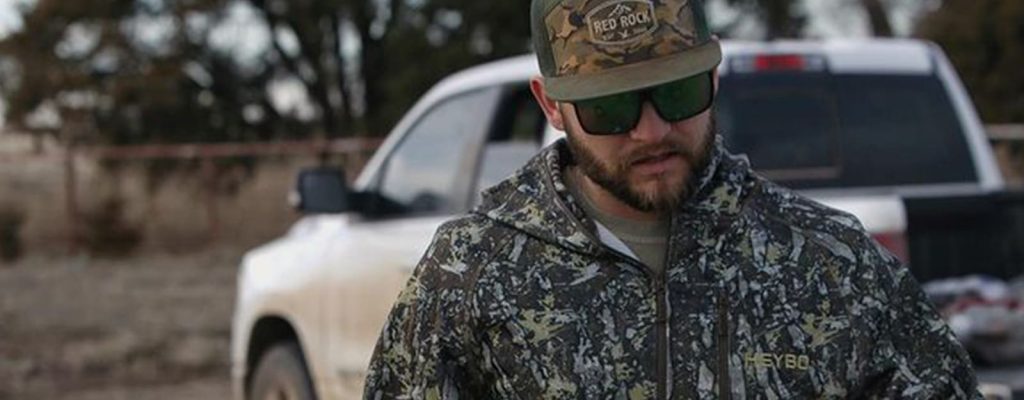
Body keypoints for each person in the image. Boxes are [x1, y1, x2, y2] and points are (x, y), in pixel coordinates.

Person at [363, 0, 982, 398]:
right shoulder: (473, 271)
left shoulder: (830, 262)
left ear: (713, 78)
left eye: (678, 94)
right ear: (551, 105)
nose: (652, 130)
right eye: (611, 107)